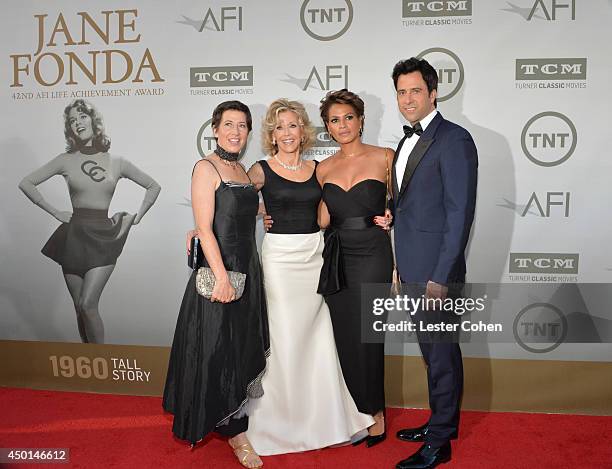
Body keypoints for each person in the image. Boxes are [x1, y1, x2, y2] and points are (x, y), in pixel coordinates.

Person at [243, 98, 374, 455]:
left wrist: (384, 216)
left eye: (293, 125)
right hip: (280, 261)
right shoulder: (259, 169)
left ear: (304, 131)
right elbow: (229, 200)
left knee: (317, 337)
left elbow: (340, 205)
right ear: (272, 133)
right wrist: (257, 212)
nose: (287, 132)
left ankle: (326, 420)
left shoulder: (318, 168)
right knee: (284, 338)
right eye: (280, 126)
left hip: (314, 257)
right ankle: (278, 423)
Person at [162, 101, 269, 469]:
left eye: (242, 125)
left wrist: (266, 213)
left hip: (248, 269)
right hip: (221, 272)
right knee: (217, 350)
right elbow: (205, 227)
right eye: (229, 124)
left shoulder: (241, 169)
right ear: (215, 128)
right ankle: (234, 432)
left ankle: (234, 420)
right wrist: (221, 278)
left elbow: (241, 208)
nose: (235, 131)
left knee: (239, 349)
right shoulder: (205, 168)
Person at [390, 58, 478, 469]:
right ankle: (441, 422)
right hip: (410, 265)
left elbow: (460, 213)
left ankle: (439, 442)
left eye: (415, 91)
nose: (407, 99)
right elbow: (410, 207)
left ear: (433, 92)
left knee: (441, 355)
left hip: (436, 274)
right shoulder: (403, 142)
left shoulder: (454, 139)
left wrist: (441, 276)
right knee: (433, 353)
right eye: (401, 92)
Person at [18, 99, 161, 344]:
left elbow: (152, 186)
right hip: (73, 236)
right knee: (78, 307)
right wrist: (54, 212)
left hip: (104, 237)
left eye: (82, 116)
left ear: (94, 120)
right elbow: (26, 183)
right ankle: (89, 365)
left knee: (88, 303)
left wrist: (138, 216)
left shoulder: (117, 162)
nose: (78, 123)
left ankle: (101, 366)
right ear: (70, 129)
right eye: (73, 120)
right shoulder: (65, 159)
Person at [316, 89, 394, 447]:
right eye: (334, 120)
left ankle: (376, 413)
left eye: (348, 117)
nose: (342, 125)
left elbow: (406, 205)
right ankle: (353, 414)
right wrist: (263, 213)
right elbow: (318, 219)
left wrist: (394, 217)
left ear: (361, 120)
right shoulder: (323, 168)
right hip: (338, 258)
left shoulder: (385, 158)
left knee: (369, 334)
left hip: (374, 254)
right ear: (327, 128)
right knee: (344, 337)